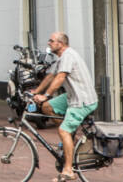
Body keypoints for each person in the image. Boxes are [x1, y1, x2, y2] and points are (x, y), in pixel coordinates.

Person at [30, 31, 97, 182]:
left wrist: (46, 95)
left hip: (83, 100)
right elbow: (51, 76)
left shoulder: (68, 56)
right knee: (47, 107)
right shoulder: (61, 58)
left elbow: (60, 78)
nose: (49, 43)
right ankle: (70, 139)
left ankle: (68, 170)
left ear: (60, 44)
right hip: (72, 96)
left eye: (51, 40)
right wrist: (36, 92)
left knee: (63, 130)